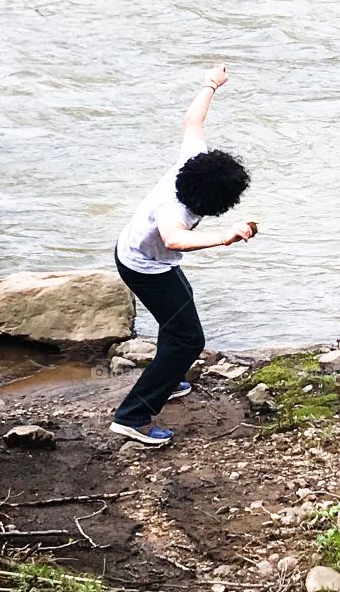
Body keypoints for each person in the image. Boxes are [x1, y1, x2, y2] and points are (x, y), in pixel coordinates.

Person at [109, 65, 257, 446]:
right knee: (189, 339)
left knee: (178, 316)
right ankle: (133, 416)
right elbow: (174, 240)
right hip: (144, 267)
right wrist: (224, 237)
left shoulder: (192, 162)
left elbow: (193, 121)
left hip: (143, 256)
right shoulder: (175, 209)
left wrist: (211, 83)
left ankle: (169, 376)